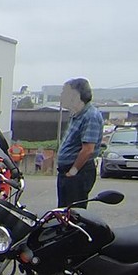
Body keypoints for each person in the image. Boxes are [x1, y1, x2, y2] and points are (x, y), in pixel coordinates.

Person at [56, 78, 104, 209]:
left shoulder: (90, 116)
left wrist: (73, 171)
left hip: (78, 173)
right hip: (66, 173)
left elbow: (88, 149)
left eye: (65, 92)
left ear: (76, 95)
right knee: (63, 213)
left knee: (74, 214)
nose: (61, 96)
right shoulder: (76, 114)